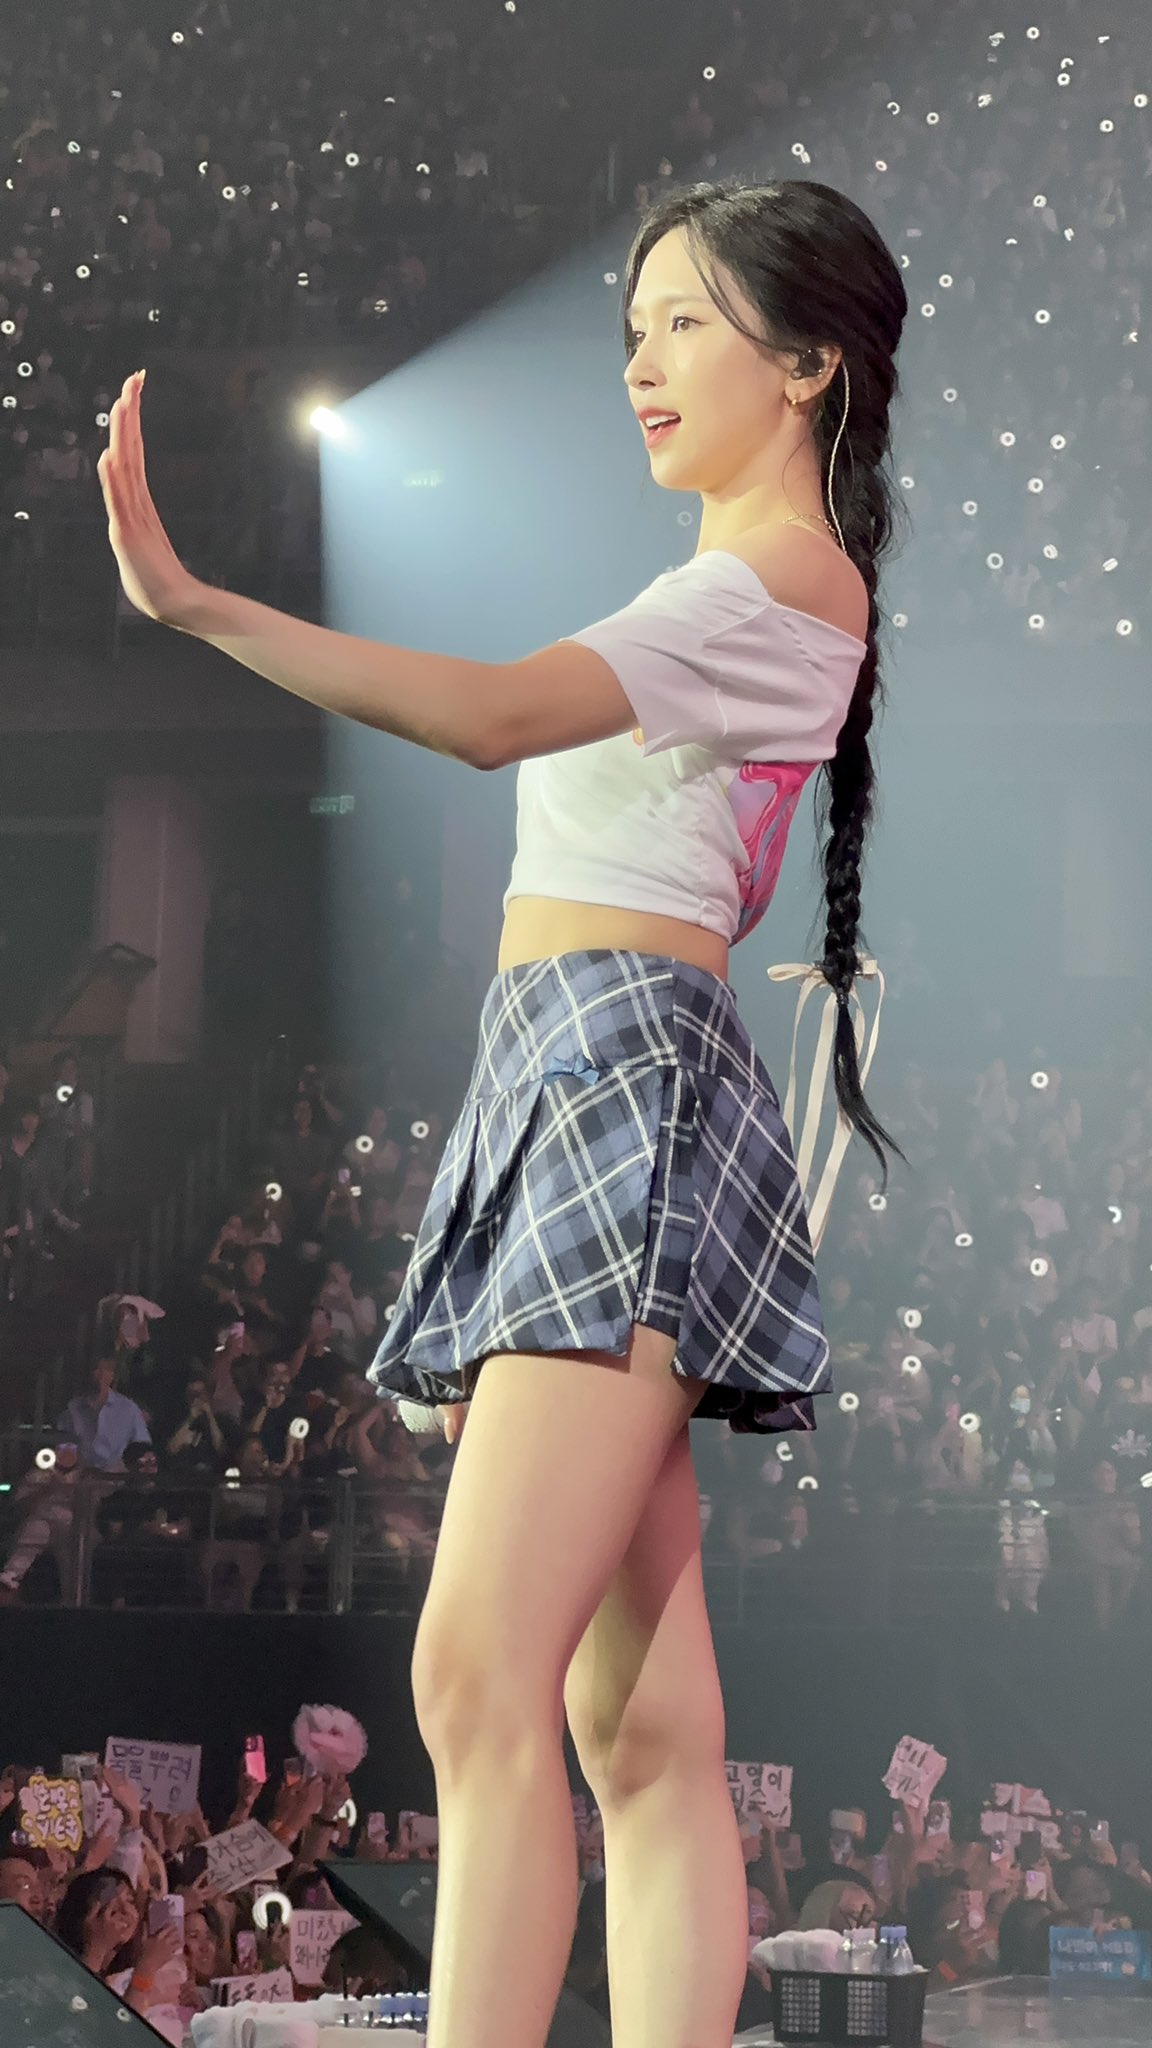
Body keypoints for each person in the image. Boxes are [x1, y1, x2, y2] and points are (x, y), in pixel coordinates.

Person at [100, 176, 909, 2048]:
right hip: (585, 1067)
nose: (640, 361)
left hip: (617, 1074)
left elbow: (483, 718)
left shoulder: (777, 580)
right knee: (640, 1722)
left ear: (806, 364)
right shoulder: (736, 588)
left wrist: (199, 605)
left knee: (478, 1676)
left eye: (685, 321)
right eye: (631, 328)